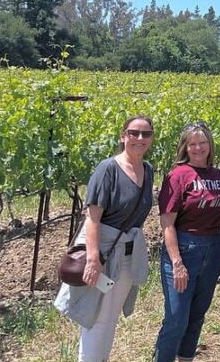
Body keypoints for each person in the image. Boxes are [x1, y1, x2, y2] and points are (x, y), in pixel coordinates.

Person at [54, 115, 156, 362]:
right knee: (96, 316)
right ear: (123, 136)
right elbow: (93, 219)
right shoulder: (108, 169)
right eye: (134, 132)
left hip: (126, 257)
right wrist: (92, 261)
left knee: (108, 317)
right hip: (104, 254)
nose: (140, 138)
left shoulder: (148, 170)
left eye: (146, 134)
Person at [153, 121, 220, 362]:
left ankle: (186, 358)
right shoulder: (177, 176)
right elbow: (167, 223)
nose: (198, 148)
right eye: (192, 144)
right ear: (184, 147)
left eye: (202, 142)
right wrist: (177, 262)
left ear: (210, 145)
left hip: (213, 249)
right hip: (185, 249)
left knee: (197, 315)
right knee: (176, 318)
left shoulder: (219, 176)